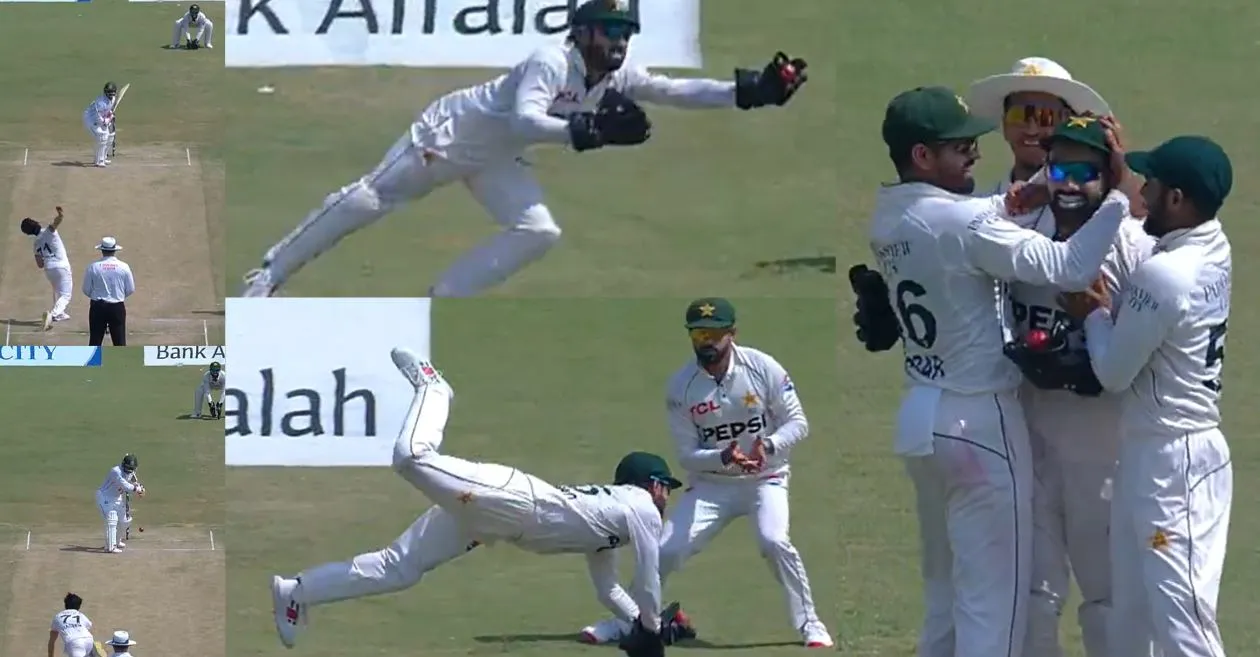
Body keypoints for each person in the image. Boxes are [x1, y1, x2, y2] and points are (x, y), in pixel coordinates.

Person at [239, 0, 808, 298]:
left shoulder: (613, 71)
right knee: (370, 200)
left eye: (626, 32)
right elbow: (525, 117)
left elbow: (672, 90)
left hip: (495, 158)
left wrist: (749, 92)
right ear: (584, 33)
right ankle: (267, 275)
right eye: (610, 31)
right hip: (448, 135)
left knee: (540, 232)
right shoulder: (549, 60)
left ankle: (444, 299)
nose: (619, 42)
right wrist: (583, 134)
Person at [850, 86, 1133, 657]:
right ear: (924, 157)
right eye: (959, 148)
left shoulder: (890, 213)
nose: (975, 156)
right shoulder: (965, 225)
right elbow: (1072, 266)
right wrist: (1120, 195)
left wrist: (1027, 193)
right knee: (995, 609)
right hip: (978, 424)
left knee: (943, 597)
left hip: (921, 417)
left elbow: (983, 212)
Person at [269, 349, 683, 651]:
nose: (666, 495)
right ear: (644, 483)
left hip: (492, 522)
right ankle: (434, 388)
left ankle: (296, 593)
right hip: (512, 500)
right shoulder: (640, 506)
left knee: (400, 569)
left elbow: (609, 589)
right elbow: (649, 576)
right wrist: (650, 629)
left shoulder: (608, 530)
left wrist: (641, 623)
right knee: (411, 457)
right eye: (663, 484)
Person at [1059, 133, 1234, 657]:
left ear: (1177, 199)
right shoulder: (1213, 244)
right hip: (1159, 454)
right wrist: (1124, 176)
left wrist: (1092, 312)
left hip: (1172, 464)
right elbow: (1150, 218)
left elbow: (1113, 371)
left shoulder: (1163, 276)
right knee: (1132, 617)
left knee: (1183, 622)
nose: (1144, 192)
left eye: (1152, 184)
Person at [579, 297, 832, 648]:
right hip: (713, 486)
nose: (707, 342)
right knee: (664, 550)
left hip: (766, 478)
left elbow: (798, 422)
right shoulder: (681, 386)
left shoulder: (763, 367)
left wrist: (769, 446)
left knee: (774, 540)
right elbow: (688, 456)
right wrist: (724, 456)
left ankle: (810, 625)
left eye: (714, 334)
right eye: (699, 334)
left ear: (732, 334)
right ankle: (626, 621)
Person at [1002, 116, 1156, 657]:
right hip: (1029, 437)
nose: (1069, 185)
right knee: (1032, 596)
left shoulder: (1135, 249)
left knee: (1107, 596)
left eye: (1084, 174)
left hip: (1104, 449)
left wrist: (1099, 328)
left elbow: (1151, 352)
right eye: (1059, 169)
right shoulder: (1021, 238)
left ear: (1107, 180)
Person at [19, 206, 72, 330]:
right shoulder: (48, 231)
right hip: (61, 265)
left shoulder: (36, 243)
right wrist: (60, 214)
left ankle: (59, 314)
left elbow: (40, 264)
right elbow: (57, 222)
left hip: (48, 268)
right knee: (66, 295)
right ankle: (53, 315)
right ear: (36, 223)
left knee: (57, 290)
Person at [81, 237, 135, 346]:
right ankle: (121, 362)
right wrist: (118, 295)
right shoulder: (124, 267)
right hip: (117, 307)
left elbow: (86, 289)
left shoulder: (93, 267)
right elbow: (130, 289)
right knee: (119, 341)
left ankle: (93, 362)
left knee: (95, 341)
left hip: (97, 307)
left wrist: (96, 296)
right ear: (114, 250)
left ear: (102, 250)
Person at [95, 454, 144, 553]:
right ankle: (110, 547)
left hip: (117, 498)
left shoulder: (131, 471)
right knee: (112, 519)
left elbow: (133, 480)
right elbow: (125, 485)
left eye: (131, 469)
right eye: (127, 468)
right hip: (105, 497)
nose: (129, 471)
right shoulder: (116, 471)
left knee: (125, 521)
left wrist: (140, 488)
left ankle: (117, 541)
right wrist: (136, 489)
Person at [48, 593, 94, 657]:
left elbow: (52, 641)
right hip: (89, 640)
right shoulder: (80, 615)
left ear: (65, 604)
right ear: (79, 606)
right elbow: (89, 628)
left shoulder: (58, 617)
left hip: (74, 643)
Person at [82, 83, 116, 168]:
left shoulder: (113, 99)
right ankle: (99, 161)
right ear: (105, 92)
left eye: (112, 93)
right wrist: (107, 120)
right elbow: (98, 118)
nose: (110, 95)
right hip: (90, 119)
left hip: (100, 118)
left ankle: (103, 158)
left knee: (110, 136)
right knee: (102, 136)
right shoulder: (101, 102)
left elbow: (107, 111)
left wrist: (110, 114)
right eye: (109, 92)